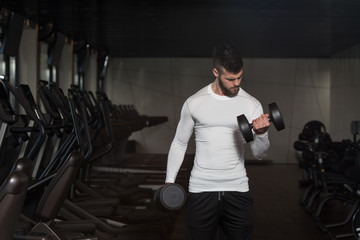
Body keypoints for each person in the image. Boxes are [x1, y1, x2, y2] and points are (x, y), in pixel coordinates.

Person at [165, 43, 270, 240]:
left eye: (239, 77)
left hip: (238, 189)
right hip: (201, 190)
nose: (236, 83)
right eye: (231, 79)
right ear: (216, 72)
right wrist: (169, 182)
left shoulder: (251, 104)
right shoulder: (195, 102)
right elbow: (179, 143)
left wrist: (262, 134)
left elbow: (260, 154)